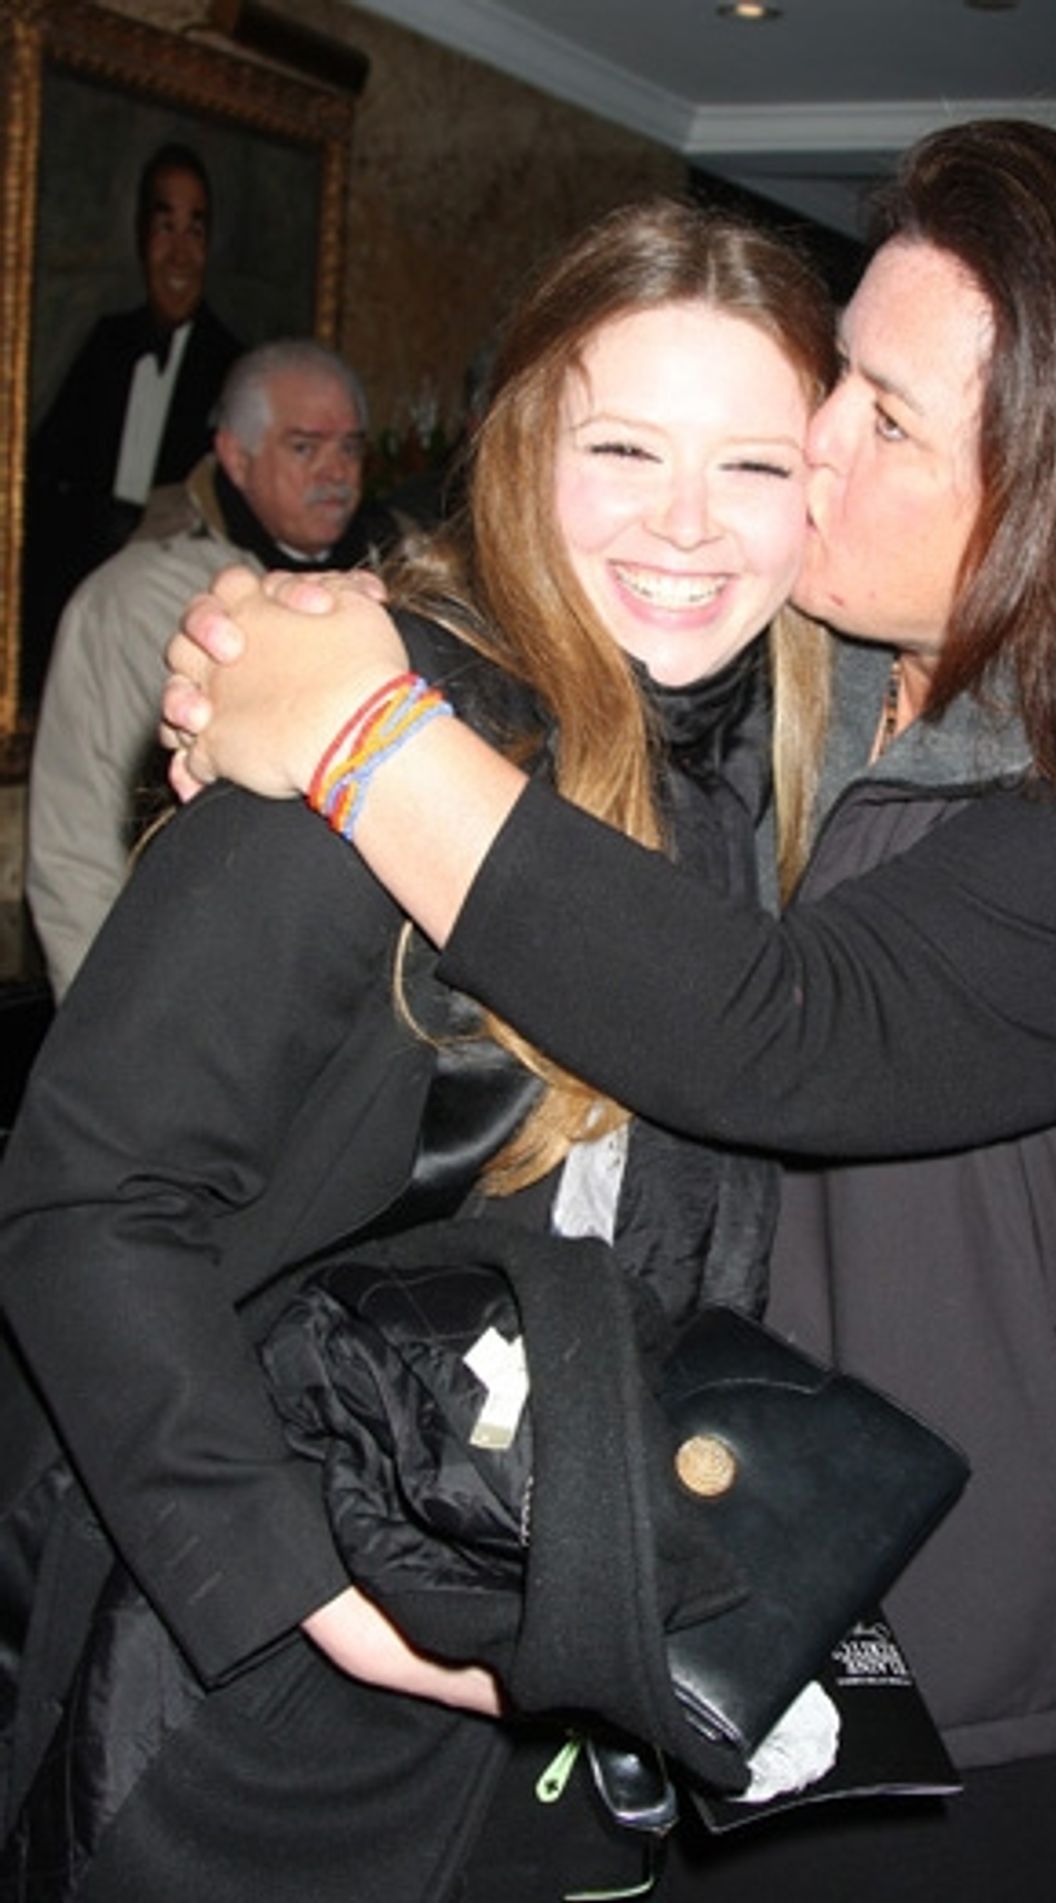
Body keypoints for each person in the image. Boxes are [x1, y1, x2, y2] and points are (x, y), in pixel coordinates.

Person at [164, 121, 1056, 1902]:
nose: (811, 449)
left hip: (1036, 1699)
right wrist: (332, 631)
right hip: (791, 1588)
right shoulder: (875, 684)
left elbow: (774, 1029)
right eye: (841, 384)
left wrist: (360, 735)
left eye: (881, 418)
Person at [0, 200, 836, 1903]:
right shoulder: (373, 736)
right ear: (529, 447)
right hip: (258, 1687)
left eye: (755, 465)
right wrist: (321, 1591)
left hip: (556, 1682)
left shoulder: (767, 777)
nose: (691, 526)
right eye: (625, 446)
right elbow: (83, 1197)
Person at [26, 337, 398, 999]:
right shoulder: (133, 602)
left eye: (350, 447)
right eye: (305, 446)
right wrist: (110, 1034)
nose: (337, 472)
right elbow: (74, 842)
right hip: (189, 985)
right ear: (235, 453)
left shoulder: (398, 575)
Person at [23, 145, 243, 703]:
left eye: (195, 229)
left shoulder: (235, 368)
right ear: (140, 237)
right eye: (164, 225)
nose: (178, 253)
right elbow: (43, 481)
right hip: (70, 612)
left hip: (164, 627)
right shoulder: (104, 345)